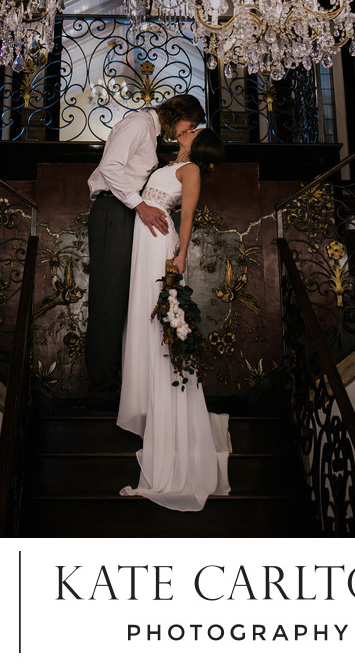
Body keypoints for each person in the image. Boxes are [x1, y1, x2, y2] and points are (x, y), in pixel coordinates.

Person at [117, 127, 231, 511]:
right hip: (143, 238)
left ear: (199, 142)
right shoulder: (173, 163)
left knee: (160, 323)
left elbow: (188, 216)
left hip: (158, 242)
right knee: (144, 320)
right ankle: (152, 405)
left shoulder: (192, 169)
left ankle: (170, 418)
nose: (186, 129)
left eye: (194, 129)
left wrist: (180, 256)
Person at [86, 94, 205, 411]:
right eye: (189, 124)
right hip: (114, 209)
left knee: (122, 301)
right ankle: (101, 393)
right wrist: (139, 205)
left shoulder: (150, 134)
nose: (186, 131)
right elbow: (109, 167)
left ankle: (117, 388)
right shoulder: (139, 123)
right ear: (178, 114)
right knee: (109, 300)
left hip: (124, 211)